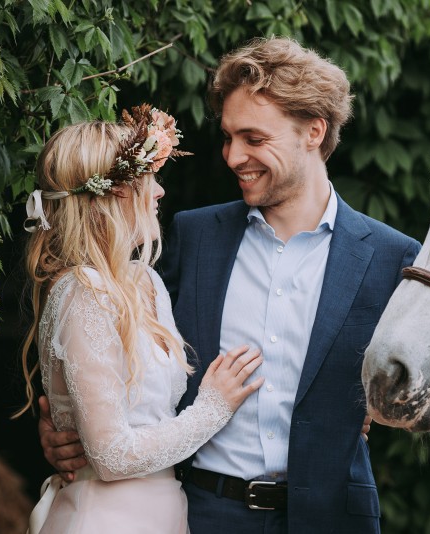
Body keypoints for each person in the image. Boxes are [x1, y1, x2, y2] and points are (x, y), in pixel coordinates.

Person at [40, 37, 430, 533]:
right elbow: (118, 348)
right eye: (229, 137)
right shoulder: (194, 236)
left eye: (254, 139)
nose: (233, 156)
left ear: (313, 132)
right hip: (201, 514)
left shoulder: (389, 255)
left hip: (333, 517)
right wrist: (62, 423)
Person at [16, 105, 265, 533]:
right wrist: (212, 409)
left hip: (163, 513)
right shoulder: (82, 292)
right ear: (115, 194)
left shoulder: (145, 281)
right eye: (150, 181)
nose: (160, 193)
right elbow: (111, 455)